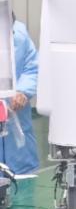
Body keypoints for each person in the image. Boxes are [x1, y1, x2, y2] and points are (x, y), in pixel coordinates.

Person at [0, 15, 40, 175]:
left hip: (16, 128)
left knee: (21, 181)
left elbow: (32, 68)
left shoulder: (19, 35)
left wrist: (23, 91)